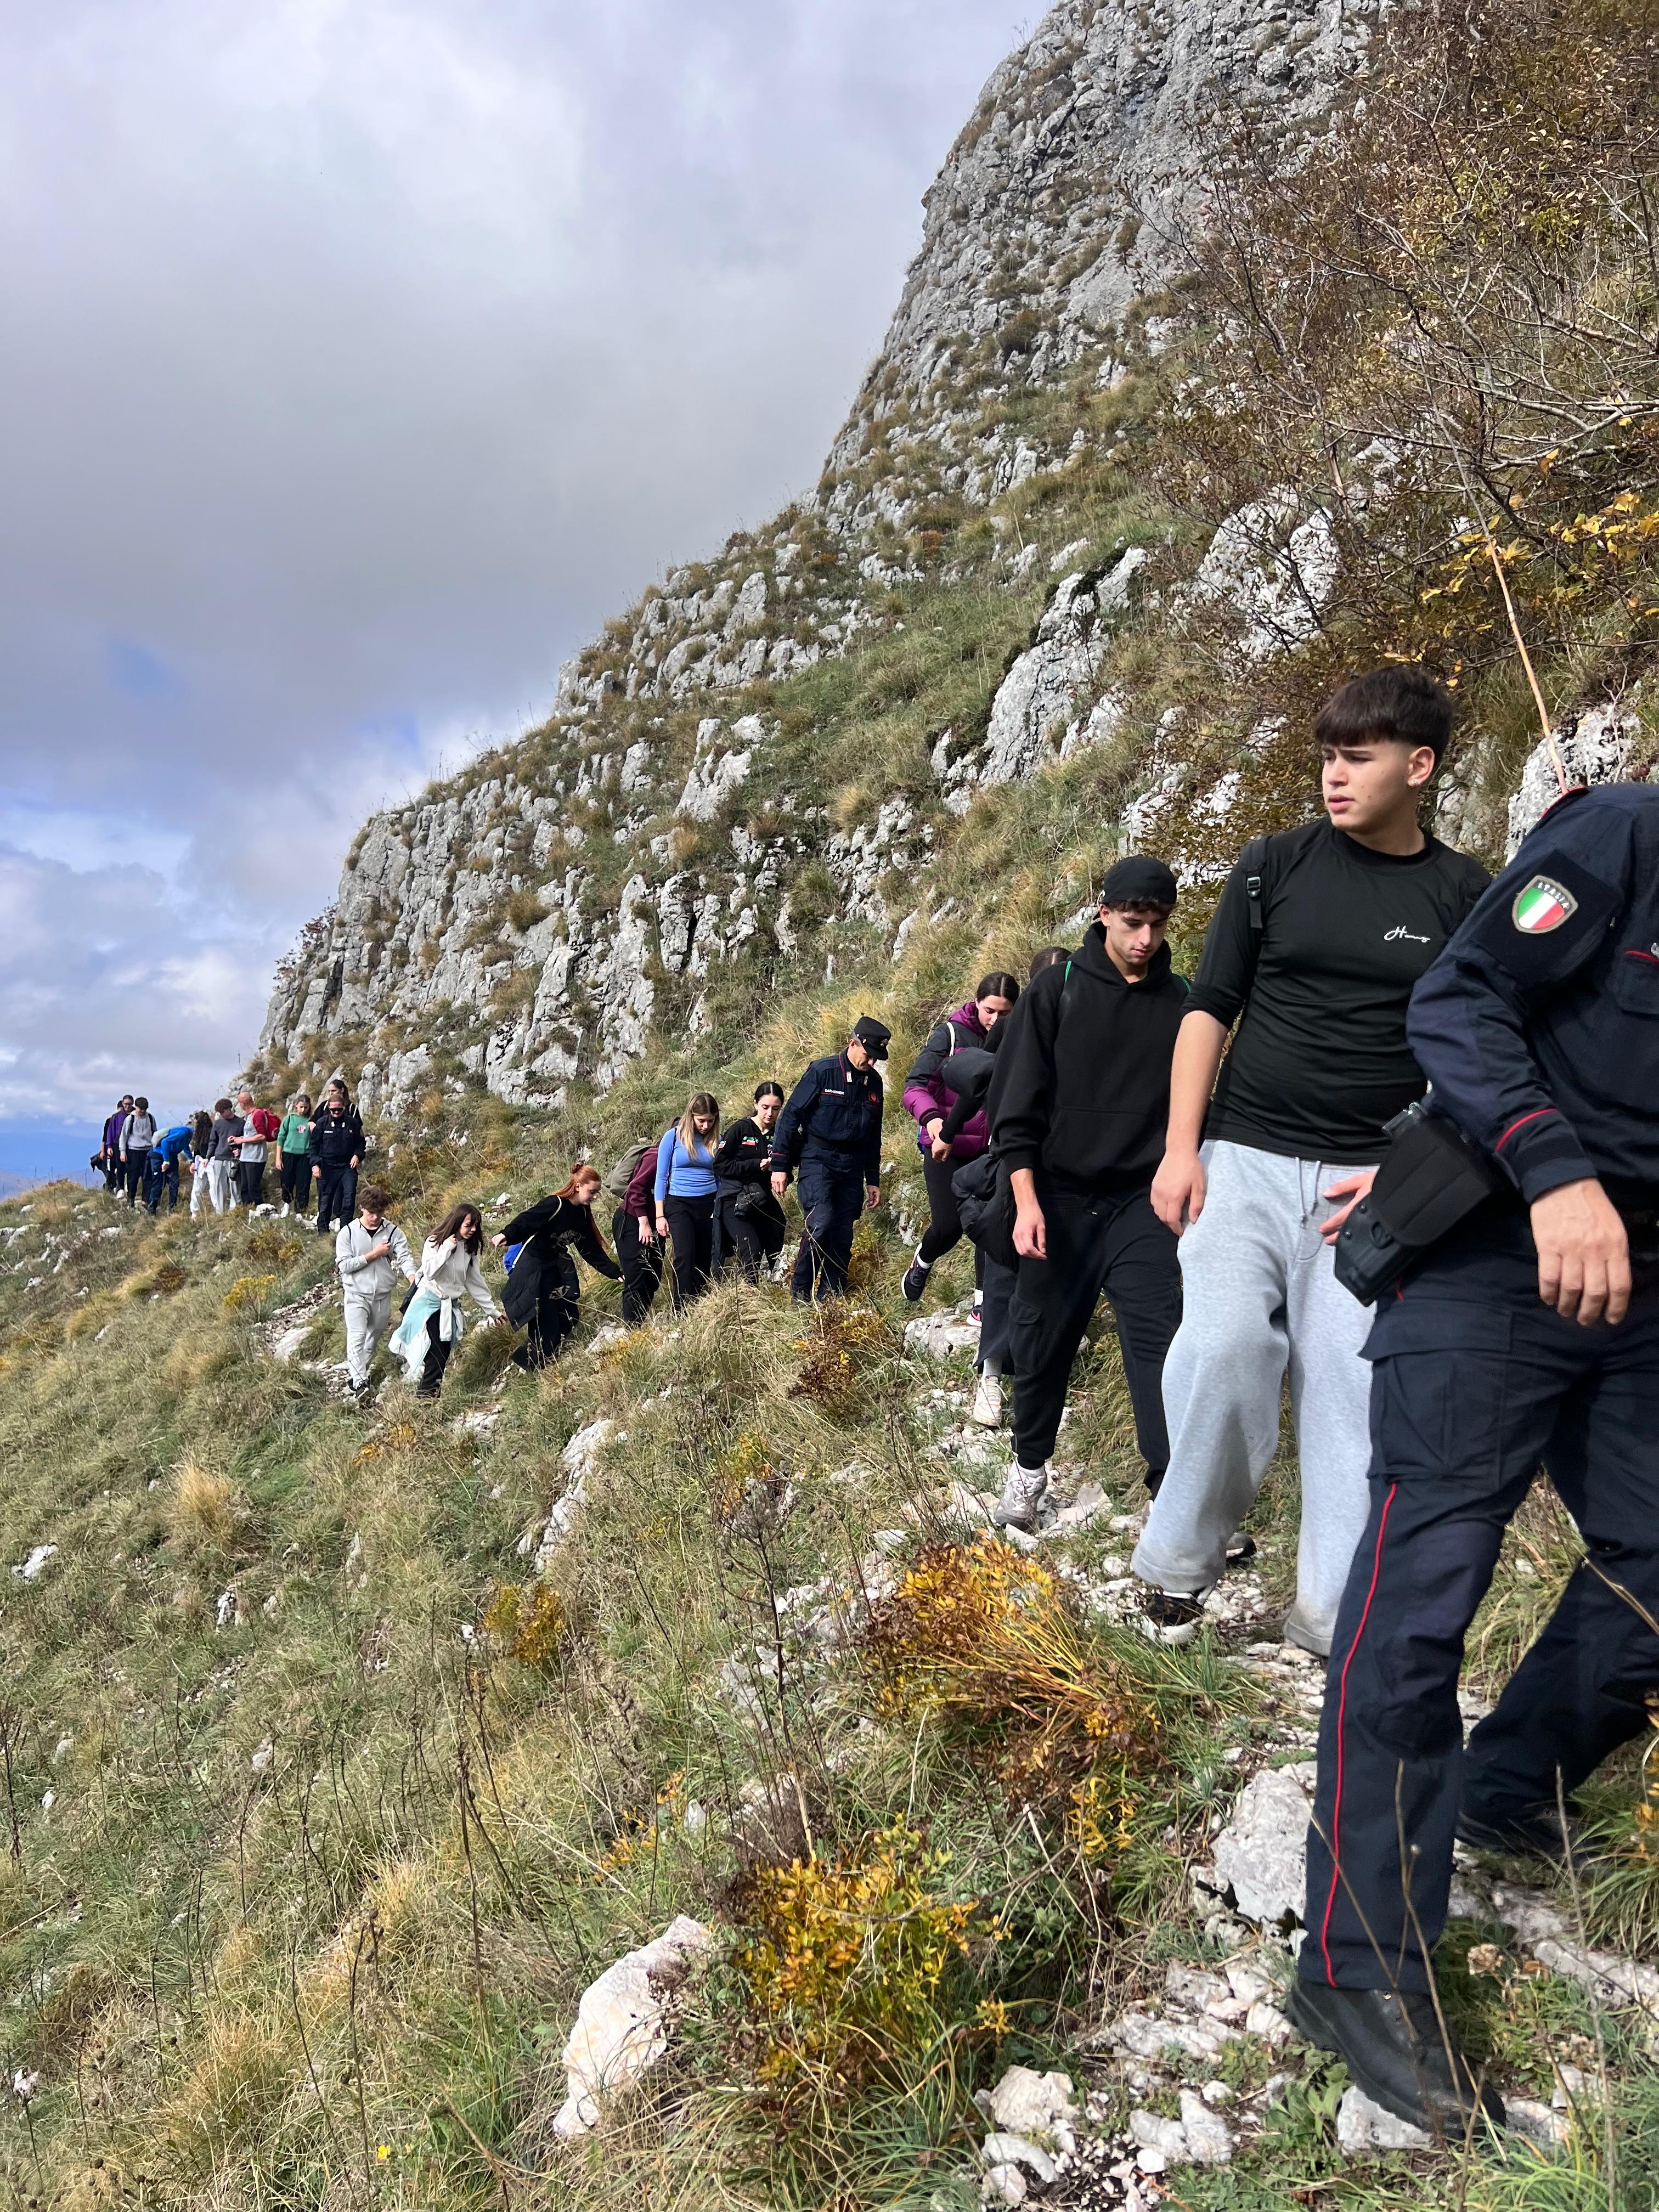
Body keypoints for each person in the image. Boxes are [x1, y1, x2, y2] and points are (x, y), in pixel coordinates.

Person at [1290, 778, 1659, 2140]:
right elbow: (1458, 997)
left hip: (1644, 1290)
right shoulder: (1625, 835)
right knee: (1422, 1593)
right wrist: (1553, 1169)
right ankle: (1356, 1964)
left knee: (1655, 1568)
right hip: (1498, 1249)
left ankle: (1506, 1792)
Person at [1133, 669, 1491, 1654]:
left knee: (1350, 1393)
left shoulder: (1465, 893)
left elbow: (1480, 1047)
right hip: (1242, 1157)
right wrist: (1179, 1150)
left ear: (1418, 766)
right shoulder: (1272, 865)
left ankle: (1331, 1621)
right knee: (1220, 1351)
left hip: (1369, 1184)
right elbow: (1208, 1008)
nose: (1334, 774)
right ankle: (1174, 1568)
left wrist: (1417, 1165)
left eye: (1357, 757)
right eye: (1327, 755)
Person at [985, 862, 1189, 1530]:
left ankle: (1172, 1496)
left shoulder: (1182, 1001)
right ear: (1103, 914)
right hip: (1059, 1197)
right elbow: (1014, 1107)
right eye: (1133, 923)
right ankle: (1029, 1471)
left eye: (1158, 924)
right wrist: (1026, 1200)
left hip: (1142, 1202)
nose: (1145, 939)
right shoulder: (1056, 989)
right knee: (1043, 1340)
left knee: (1161, 1343)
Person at [947, 947, 1069, 1428]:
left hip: (1068, 1164)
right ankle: (992, 1374)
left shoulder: (1092, 1025)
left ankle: (1039, 1363)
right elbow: (978, 1078)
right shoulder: (1015, 1027)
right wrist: (949, 1132)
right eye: (1051, 982)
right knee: (1004, 1263)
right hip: (1015, 1160)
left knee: (1055, 1262)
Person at [901, 975, 1019, 1307]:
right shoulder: (951, 1035)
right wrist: (933, 1120)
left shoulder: (1019, 1036)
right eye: (989, 1010)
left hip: (990, 1149)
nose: (995, 1020)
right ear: (976, 1002)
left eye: (1005, 1013)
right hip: (946, 1146)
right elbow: (915, 1086)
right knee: (949, 1226)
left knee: (991, 1222)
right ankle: (923, 1260)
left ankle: (983, 1302)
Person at [770, 1016, 890, 1304]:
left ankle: (831, 1298)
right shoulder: (823, 1072)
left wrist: (872, 1179)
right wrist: (780, 1166)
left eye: (876, 1058)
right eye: (868, 1055)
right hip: (817, 1159)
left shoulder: (874, 1083)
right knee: (821, 1222)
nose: (871, 1062)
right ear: (852, 1044)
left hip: (853, 1165)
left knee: (843, 1233)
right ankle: (800, 1294)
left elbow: (874, 1135)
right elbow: (790, 1117)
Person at [493, 1165, 623, 1368]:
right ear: (578, 1186)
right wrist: (506, 1234)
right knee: (547, 1321)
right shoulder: (556, 1204)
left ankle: (534, 1359)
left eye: (597, 1193)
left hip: (555, 1269)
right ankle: (534, 1366)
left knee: (570, 1317)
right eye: (592, 1192)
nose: (595, 1197)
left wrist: (615, 1272)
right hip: (535, 1269)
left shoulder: (582, 1215)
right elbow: (528, 1220)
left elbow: (590, 1250)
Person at [388, 1203, 500, 1399]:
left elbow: (474, 1282)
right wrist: (447, 1248)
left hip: (450, 1307)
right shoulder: (434, 1242)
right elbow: (430, 1272)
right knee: (436, 1356)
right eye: (469, 1225)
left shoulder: (469, 1248)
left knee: (443, 1355)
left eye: (476, 1226)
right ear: (457, 1222)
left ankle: (429, 1397)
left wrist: (493, 1312)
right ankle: (426, 1399)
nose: (473, 1230)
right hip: (429, 1306)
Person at [335, 1182, 418, 1398]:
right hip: (355, 1294)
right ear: (362, 1208)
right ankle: (360, 1384)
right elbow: (344, 1265)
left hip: (382, 1295)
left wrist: (413, 1279)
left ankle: (357, 1374)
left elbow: (405, 1257)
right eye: (371, 1212)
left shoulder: (393, 1231)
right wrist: (374, 1254)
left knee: (373, 1339)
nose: (375, 1217)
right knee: (357, 1336)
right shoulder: (347, 1233)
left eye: (380, 1213)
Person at [713, 1083, 788, 1282]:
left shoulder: (781, 1134)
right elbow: (720, 1165)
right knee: (751, 1247)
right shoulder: (740, 1129)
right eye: (765, 1107)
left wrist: (780, 1169)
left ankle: (772, 1282)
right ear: (755, 1105)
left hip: (762, 1197)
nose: (770, 1113)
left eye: (776, 1108)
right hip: (734, 1197)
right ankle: (750, 1292)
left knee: (776, 1229)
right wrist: (754, 1165)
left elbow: (790, 1163)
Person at [654, 1093, 722, 1308]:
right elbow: (661, 1176)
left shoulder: (717, 1141)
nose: (705, 1126)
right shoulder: (673, 1137)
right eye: (701, 1120)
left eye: (710, 1121)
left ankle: (698, 1304)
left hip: (709, 1203)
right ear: (691, 1116)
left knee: (704, 1257)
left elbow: (720, 1177)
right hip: (679, 1204)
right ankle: (681, 1308)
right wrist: (659, 1215)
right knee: (684, 1255)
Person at [612, 1141, 665, 1326]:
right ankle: (632, 1328)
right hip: (633, 1220)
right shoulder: (655, 1157)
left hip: (654, 1224)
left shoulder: (679, 1162)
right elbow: (635, 1189)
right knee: (636, 1277)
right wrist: (643, 1222)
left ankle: (638, 1322)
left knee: (653, 1278)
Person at [310, 1080, 364, 1237]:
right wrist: (315, 1165)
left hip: (347, 1167)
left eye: (339, 1110)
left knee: (349, 1196)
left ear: (344, 1108)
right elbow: (313, 1146)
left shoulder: (352, 1123)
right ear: (329, 1109)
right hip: (327, 1167)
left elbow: (361, 1143)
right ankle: (323, 1233)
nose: (336, 1113)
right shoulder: (322, 1124)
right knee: (326, 1201)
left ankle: (345, 1232)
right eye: (333, 1110)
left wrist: (357, 1155)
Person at [231, 1088, 279, 1207]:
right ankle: (248, 1210)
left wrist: (242, 1140)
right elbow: (250, 1135)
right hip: (245, 1157)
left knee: (253, 1188)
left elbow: (262, 1136)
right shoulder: (249, 1116)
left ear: (243, 1104)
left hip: (255, 1158)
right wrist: (237, 1139)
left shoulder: (258, 1114)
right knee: (245, 1188)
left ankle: (262, 1209)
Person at [276, 1094, 313, 1217]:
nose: (303, 1110)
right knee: (286, 1181)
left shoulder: (311, 1121)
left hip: (305, 1156)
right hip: (289, 1154)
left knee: (303, 1183)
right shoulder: (289, 1119)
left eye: (306, 1107)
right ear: (296, 1106)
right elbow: (281, 1138)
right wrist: (278, 1158)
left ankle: (300, 1210)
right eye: (301, 1107)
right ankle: (287, 1204)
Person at [145, 1121, 194, 1215]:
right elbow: (165, 1143)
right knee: (159, 1184)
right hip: (158, 1156)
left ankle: (172, 1209)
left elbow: (185, 1146)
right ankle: (151, 1211)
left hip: (172, 1157)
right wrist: (166, 1161)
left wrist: (191, 1159)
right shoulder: (183, 1133)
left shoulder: (188, 1135)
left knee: (174, 1184)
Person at [205, 1097, 242, 1213]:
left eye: (223, 1112)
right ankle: (220, 1212)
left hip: (233, 1160)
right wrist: (207, 1158)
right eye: (220, 1113)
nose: (221, 1115)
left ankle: (235, 1211)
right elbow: (213, 1142)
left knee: (235, 1185)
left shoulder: (241, 1123)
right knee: (219, 1186)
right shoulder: (218, 1124)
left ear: (229, 1109)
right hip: (219, 1159)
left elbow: (244, 1141)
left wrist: (240, 1150)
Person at [119, 1097, 157, 1207]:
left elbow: (155, 1133)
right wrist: (123, 1152)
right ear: (136, 1107)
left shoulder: (150, 1118)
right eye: (141, 1109)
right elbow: (124, 1136)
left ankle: (146, 1200)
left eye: (145, 1109)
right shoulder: (130, 1119)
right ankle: (131, 1199)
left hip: (148, 1151)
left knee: (148, 1177)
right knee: (133, 1177)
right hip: (133, 1151)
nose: (143, 1111)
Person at [187, 1111, 217, 1217]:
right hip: (204, 1161)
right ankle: (217, 1209)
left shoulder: (209, 1132)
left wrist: (196, 1161)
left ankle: (195, 1213)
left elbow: (198, 1149)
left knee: (202, 1188)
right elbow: (197, 1150)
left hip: (210, 1161)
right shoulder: (208, 1132)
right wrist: (194, 1162)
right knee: (212, 1186)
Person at [100, 1097, 133, 1193]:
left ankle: (129, 1187)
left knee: (131, 1167)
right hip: (117, 1144)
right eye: (126, 1104)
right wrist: (109, 1147)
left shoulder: (135, 1116)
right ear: (123, 1104)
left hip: (132, 1145)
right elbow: (109, 1134)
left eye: (130, 1104)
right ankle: (119, 1188)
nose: (127, 1106)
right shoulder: (115, 1117)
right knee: (119, 1167)